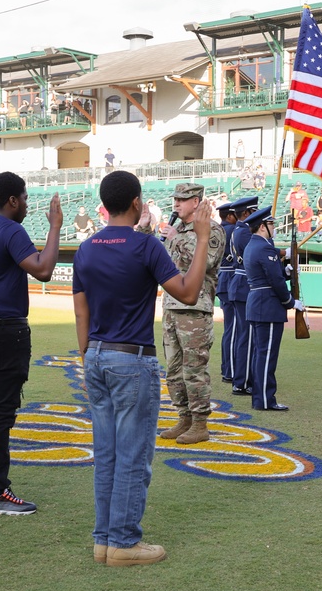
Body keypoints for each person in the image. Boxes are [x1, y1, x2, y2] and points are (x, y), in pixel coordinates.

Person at [72, 170, 212, 567]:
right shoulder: (145, 246)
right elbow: (186, 291)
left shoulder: (86, 248)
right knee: (133, 455)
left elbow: (81, 311)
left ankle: (105, 539)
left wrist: (89, 357)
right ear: (136, 203)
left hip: (96, 355)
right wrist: (202, 237)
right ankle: (123, 542)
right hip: (131, 358)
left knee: (107, 454)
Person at [0, 171, 62, 515]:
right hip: (2, 331)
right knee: (0, 412)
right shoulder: (10, 229)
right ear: (12, 200)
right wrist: (55, 227)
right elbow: (44, 270)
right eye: (25, 198)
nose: (28, 205)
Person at [154, 183, 225, 445]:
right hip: (172, 306)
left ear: (196, 202)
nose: (176, 205)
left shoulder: (211, 230)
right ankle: (183, 417)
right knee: (173, 370)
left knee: (193, 369)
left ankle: (199, 423)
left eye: (182, 200)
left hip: (195, 308)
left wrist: (174, 240)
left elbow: (203, 262)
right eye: (175, 200)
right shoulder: (179, 230)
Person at [243, 206, 304, 412]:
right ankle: (265, 400)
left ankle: (261, 398)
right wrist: (290, 302)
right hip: (267, 305)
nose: (274, 227)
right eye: (271, 224)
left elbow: (271, 274)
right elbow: (275, 281)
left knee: (261, 354)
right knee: (267, 355)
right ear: (262, 227)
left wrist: (285, 271)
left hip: (260, 303)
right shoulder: (265, 247)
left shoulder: (255, 245)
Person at [226, 197, 259, 397]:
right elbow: (254, 257)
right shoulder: (245, 231)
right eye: (253, 211)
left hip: (239, 284)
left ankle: (243, 378)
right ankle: (242, 381)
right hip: (244, 285)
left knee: (244, 335)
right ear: (246, 213)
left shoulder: (239, 229)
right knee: (246, 337)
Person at [216, 200, 238, 384]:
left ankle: (228, 368)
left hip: (224, 280)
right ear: (230, 216)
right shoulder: (231, 231)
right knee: (232, 329)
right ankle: (230, 369)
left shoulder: (220, 230)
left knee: (230, 329)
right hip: (230, 280)